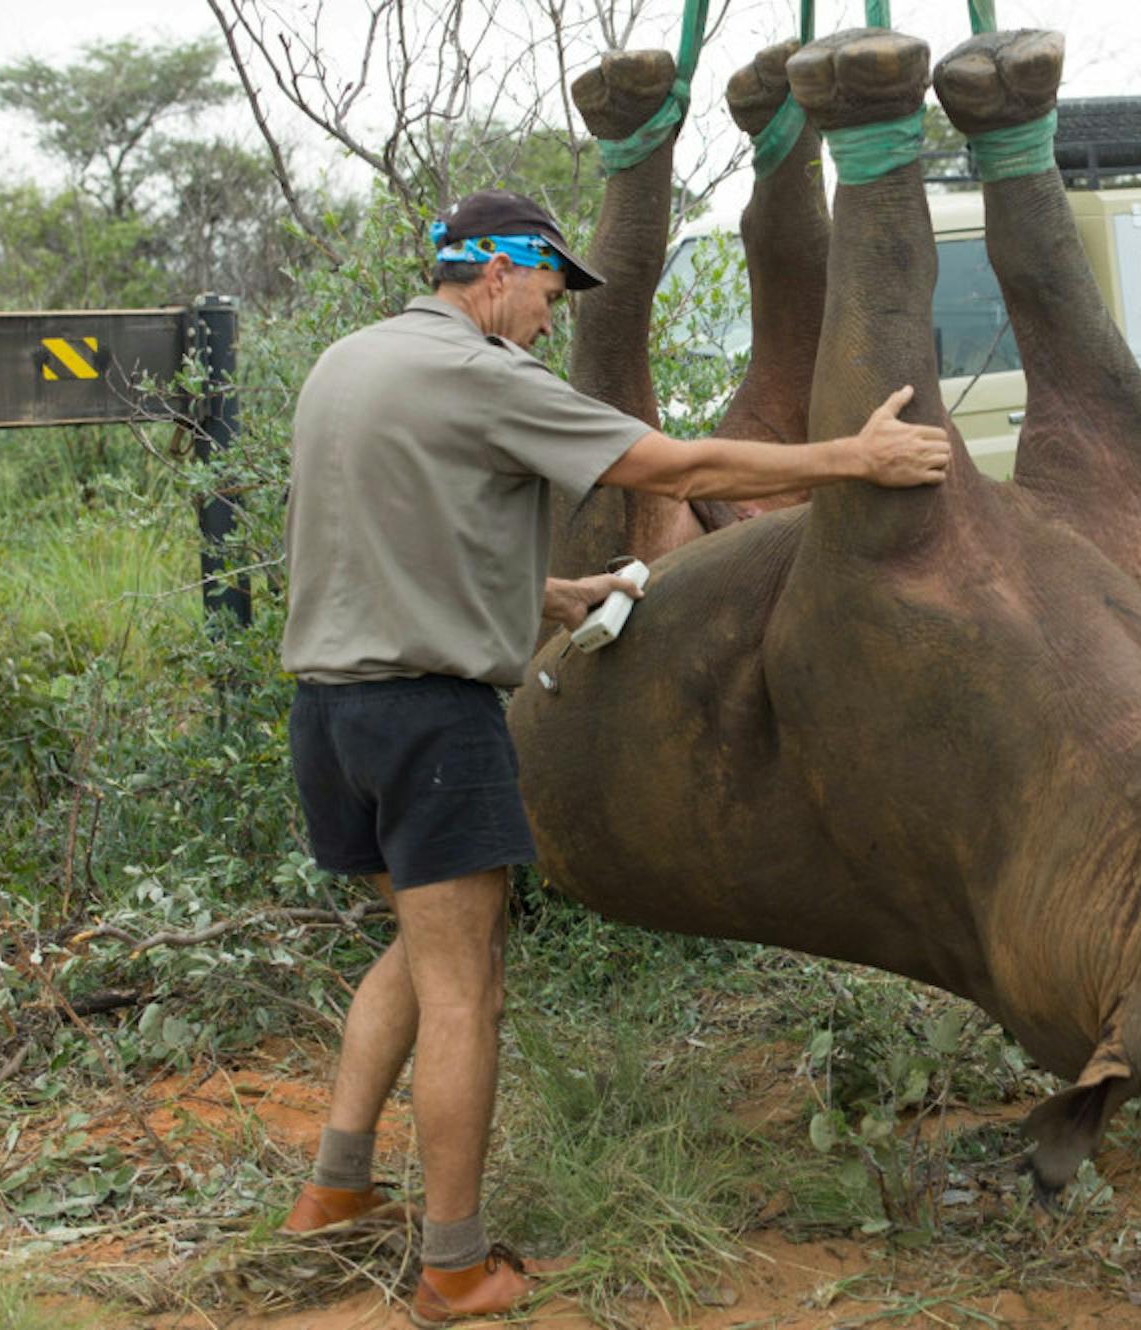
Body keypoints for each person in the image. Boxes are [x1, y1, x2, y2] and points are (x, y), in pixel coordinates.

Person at [276, 189, 951, 1323]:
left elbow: (378, 535)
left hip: (332, 716)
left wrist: (541, 593)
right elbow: (677, 470)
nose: (550, 314)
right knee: (466, 989)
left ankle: (334, 1193)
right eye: (548, 286)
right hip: (429, 720)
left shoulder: (348, 363)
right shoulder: (483, 373)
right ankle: (454, 1264)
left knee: (416, 949)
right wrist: (855, 457)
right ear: (495, 270)